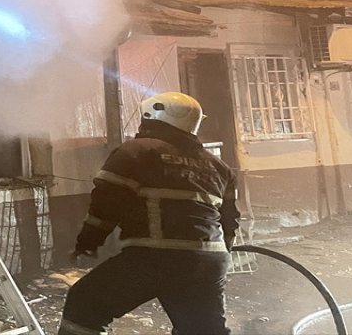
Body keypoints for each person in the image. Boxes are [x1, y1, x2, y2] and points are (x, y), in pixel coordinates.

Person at [58, 92, 241, 335]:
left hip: (154, 257)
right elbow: (230, 221)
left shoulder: (136, 151)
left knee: (85, 304)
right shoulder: (219, 166)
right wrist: (217, 255)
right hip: (209, 261)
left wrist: (88, 241)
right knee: (202, 331)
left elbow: (107, 202)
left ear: (152, 116)